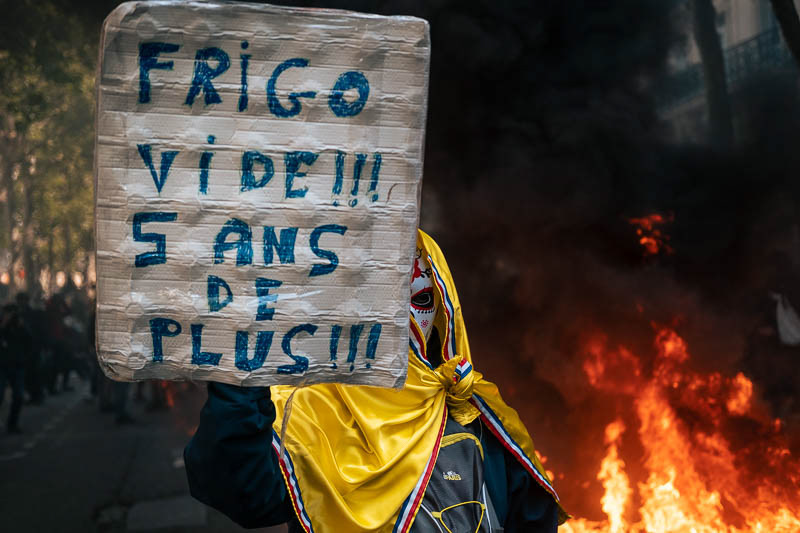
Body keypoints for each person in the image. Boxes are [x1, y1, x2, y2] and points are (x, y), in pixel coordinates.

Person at [185, 230, 567, 532]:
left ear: (442, 304)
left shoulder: (477, 415)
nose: (398, 319)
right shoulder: (308, 415)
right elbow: (238, 490)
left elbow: (531, 518)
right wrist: (241, 369)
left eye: (417, 299)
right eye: (381, 301)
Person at [0, 304, 33, 434]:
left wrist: (21, 326)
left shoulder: (21, 325)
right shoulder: (2, 325)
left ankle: (12, 424)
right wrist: (3, 325)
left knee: (18, 396)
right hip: (2, 365)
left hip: (17, 365)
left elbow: (30, 341)